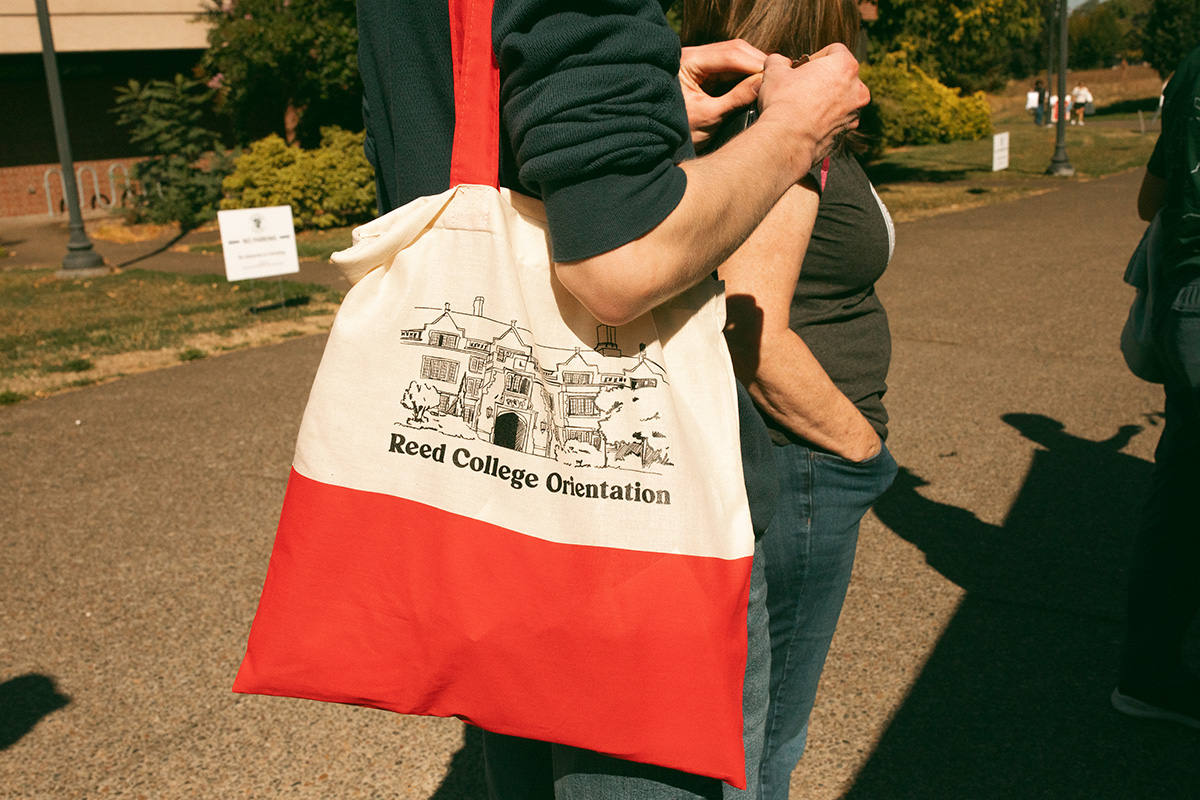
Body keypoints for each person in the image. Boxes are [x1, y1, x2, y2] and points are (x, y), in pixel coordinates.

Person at [355, 1, 871, 796]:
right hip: (637, 540)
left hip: (492, 501)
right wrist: (797, 129)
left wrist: (630, 95)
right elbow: (620, 263)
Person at [682, 1, 897, 797]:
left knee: (754, 732)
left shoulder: (761, 108)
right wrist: (859, 449)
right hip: (800, 460)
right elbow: (752, 329)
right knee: (763, 744)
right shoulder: (783, 122)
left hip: (798, 458)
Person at [1113, 44, 1200, 731]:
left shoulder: (1192, 68)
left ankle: (1150, 664)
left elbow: (1151, 198)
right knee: (1184, 498)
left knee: (1181, 491)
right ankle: (1150, 671)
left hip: (1186, 301)